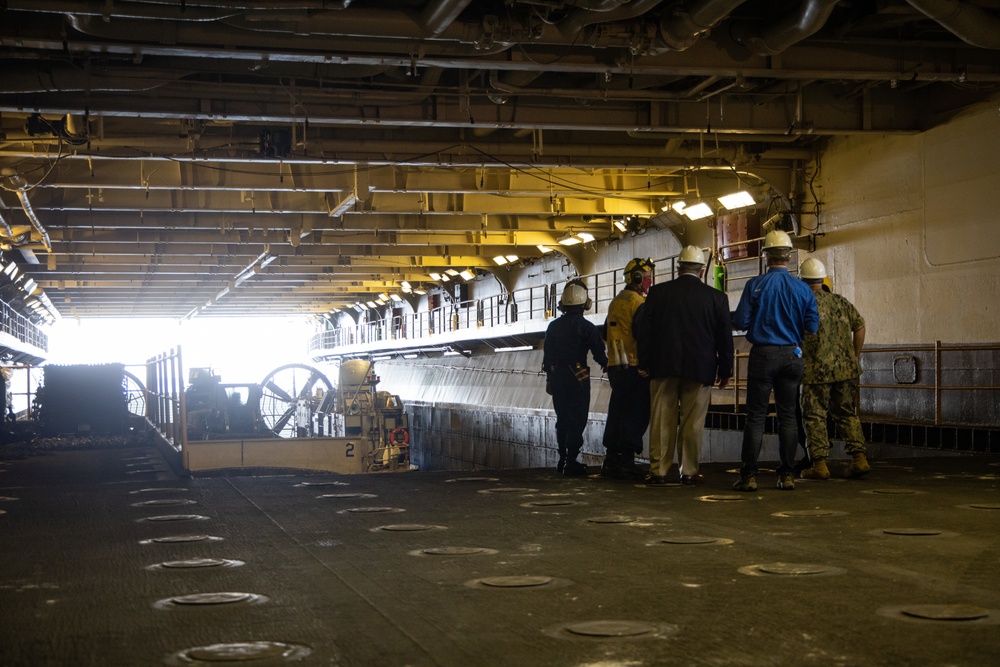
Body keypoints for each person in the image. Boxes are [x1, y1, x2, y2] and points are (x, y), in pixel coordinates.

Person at [637, 246, 734, 485]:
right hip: (700, 368)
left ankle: (659, 471)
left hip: (663, 365)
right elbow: (725, 338)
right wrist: (725, 370)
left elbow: (645, 331)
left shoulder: (658, 293)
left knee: (661, 419)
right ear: (702, 271)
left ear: (678, 268)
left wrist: (644, 362)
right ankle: (689, 471)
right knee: (693, 422)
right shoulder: (716, 298)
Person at [732, 230, 819, 491]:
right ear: (789, 257)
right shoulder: (803, 288)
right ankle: (787, 474)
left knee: (756, 417)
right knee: (788, 417)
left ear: (766, 256)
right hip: (792, 356)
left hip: (763, 355)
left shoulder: (755, 285)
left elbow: (739, 321)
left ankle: (749, 476)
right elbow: (812, 327)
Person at [797, 258, 870, 479]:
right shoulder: (840, 301)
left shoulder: (802, 304)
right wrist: (854, 356)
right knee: (846, 413)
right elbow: (860, 326)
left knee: (814, 415)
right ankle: (859, 459)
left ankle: (819, 465)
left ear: (802, 281)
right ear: (822, 279)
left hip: (814, 371)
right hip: (845, 370)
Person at [542, 279, 608, 476]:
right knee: (577, 419)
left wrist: (549, 380)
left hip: (557, 376)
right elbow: (599, 353)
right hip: (579, 376)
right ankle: (572, 460)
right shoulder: (587, 327)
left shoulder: (553, 327)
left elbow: (548, 356)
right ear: (585, 304)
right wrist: (609, 367)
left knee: (562, 418)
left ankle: (562, 459)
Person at [600, 257, 654, 480]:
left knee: (618, 411)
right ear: (638, 278)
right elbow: (644, 335)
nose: (649, 282)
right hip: (634, 367)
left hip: (616, 367)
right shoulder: (638, 303)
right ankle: (627, 460)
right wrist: (646, 364)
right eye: (647, 277)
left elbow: (605, 332)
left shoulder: (616, 301)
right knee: (636, 413)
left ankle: (612, 458)